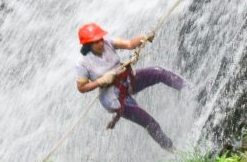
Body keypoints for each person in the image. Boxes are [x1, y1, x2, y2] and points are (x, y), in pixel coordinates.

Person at [74, 22, 186, 151]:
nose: (100, 43)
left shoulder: (108, 43)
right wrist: (101, 81)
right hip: (114, 98)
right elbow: (81, 87)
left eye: (100, 39)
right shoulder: (82, 63)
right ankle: (173, 150)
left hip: (128, 80)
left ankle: (189, 90)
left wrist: (143, 38)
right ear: (88, 45)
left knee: (159, 73)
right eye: (95, 42)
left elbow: (129, 44)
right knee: (149, 122)